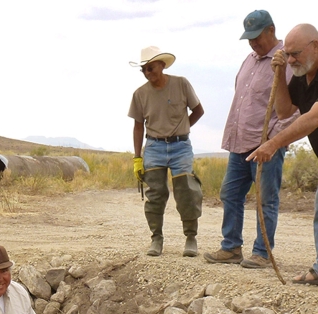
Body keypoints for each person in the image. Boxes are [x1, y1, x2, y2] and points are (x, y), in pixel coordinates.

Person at [205, 10, 297, 269]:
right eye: (249, 38)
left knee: (265, 199)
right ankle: (231, 247)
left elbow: (291, 107)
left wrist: (274, 140)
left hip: (265, 144)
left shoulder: (284, 61)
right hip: (239, 143)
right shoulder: (248, 60)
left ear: (271, 30)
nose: (254, 42)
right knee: (230, 193)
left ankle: (262, 252)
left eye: (257, 36)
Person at [248, 24, 318, 284]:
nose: (290, 60)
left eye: (295, 54)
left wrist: (272, 143)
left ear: (316, 45)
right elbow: (286, 111)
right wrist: (278, 75)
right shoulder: (302, 76)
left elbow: (313, 118)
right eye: (287, 54)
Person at [128, 46, 204, 257]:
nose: (147, 73)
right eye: (144, 70)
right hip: (154, 146)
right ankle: (156, 238)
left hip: (181, 146)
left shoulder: (181, 84)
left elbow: (198, 110)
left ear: (161, 65)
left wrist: (182, 128)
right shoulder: (140, 94)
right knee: (155, 194)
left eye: (151, 68)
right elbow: (137, 126)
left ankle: (190, 237)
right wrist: (137, 158)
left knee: (187, 191)